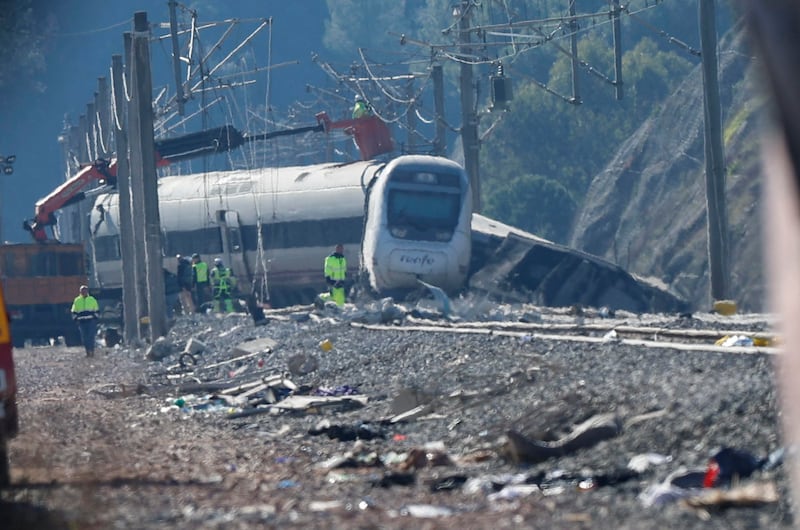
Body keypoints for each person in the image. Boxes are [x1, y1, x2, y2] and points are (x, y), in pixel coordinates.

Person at [71, 285, 99, 357]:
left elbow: (97, 310)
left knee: (91, 337)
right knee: (84, 338)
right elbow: (74, 311)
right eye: (82, 291)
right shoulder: (77, 300)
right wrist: (75, 319)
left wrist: (95, 318)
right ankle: (87, 351)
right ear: (80, 292)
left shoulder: (92, 299)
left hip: (90, 321)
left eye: (85, 290)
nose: (84, 292)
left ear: (87, 291)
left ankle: (91, 351)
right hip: (82, 322)